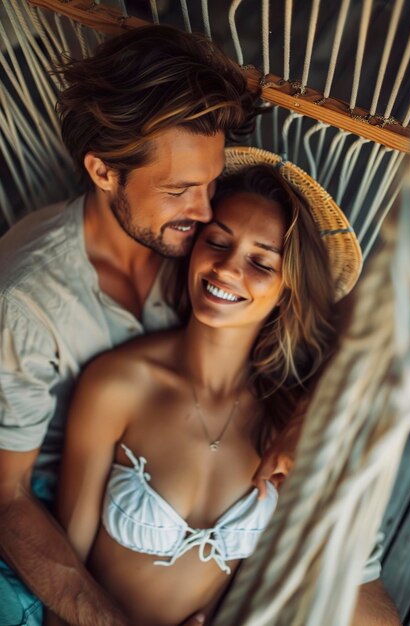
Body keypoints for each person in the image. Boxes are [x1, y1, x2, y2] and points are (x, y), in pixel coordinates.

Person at [47, 149, 397, 626]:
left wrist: (312, 417)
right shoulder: (117, 385)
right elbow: (63, 579)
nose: (229, 269)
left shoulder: (284, 422)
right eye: (218, 242)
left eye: (261, 262)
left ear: (287, 288)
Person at [0, 24, 255, 626]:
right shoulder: (25, 300)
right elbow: (6, 498)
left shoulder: (204, 250)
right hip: (39, 530)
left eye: (212, 181)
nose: (204, 209)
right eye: (178, 190)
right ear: (104, 171)